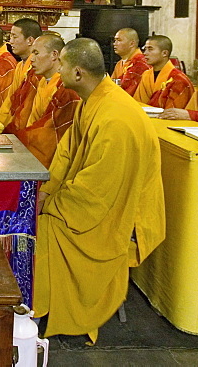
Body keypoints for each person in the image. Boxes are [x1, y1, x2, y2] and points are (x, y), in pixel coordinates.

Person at [35, 38, 164, 343]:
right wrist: (45, 191)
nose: (58, 70)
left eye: (62, 65)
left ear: (78, 73)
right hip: (92, 199)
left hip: (113, 212)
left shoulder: (116, 117)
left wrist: (51, 206)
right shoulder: (93, 101)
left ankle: (41, 309)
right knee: (32, 217)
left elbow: (96, 191)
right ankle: (42, 303)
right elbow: (67, 155)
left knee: (43, 228)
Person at [13, 33, 80, 168]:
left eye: (36, 53)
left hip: (52, 158)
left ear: (54, 55)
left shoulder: (65, 88)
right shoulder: (42, 81)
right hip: (32, 143)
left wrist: (18, 140)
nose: (31, 59)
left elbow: (50, 133)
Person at [0, 18, 42, 134]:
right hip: (14, 126)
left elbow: (30, 111)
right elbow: (10, 102)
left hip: (28, 132)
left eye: (15, 37)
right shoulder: (20, 66)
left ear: (30, 40)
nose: (11, 41)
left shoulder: (38, 71)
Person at [133, 35, 193, 109]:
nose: (145, 53)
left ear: (164, 53)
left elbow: (174, 112)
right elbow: (138, 103)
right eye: (145, 49)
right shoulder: (146, 75)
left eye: (150, 49)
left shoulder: (178, 79)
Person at [110, 28, 151, 96]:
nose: (115, 44)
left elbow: (127, 92)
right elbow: (111, 85)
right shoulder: (119, 64)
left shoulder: (141, 63)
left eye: (119, 40)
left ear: (132, 43)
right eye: (115, 40)